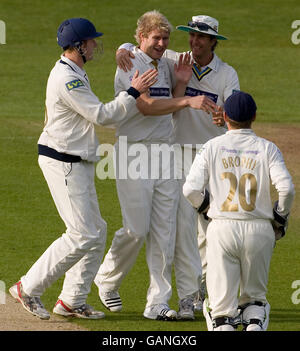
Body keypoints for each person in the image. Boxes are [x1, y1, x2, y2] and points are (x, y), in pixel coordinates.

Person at [9, 17, 158, 320]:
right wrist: (132, 92)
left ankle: (71, 300)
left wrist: (126, 52)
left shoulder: (76, 71)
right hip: (62, 161)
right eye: (91, 41)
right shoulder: (67, 78)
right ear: (78, 46)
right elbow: (101, 115)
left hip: (77, 160)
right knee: (81, 233)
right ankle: (28, 287)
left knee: (96, 230)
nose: (94, 46)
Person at [94, 10, 217, 321]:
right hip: (133, 153)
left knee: (165, 230)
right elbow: (147, 107)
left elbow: (168, 108)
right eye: (155, 38)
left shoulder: (165, 63)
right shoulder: (128, 63)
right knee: (137, 229)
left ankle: (157, 301)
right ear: (141, 38)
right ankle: (107, 279)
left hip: (165, 154)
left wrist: (181, 86)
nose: (162, 43)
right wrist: (188, 99)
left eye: (165, 38)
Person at [115, 14, 239, 319]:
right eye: (192, 36)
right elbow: (142, 50)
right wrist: (123, 47)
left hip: (210, 155)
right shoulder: (173, 59)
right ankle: (189, 296)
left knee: (209, 228)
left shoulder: (226, 74)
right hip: (176, 154)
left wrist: (223, 116)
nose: (195, 42)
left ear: (213, 41)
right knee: (180, 229)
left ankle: (201, 292)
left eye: (201, 37)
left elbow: (236, 111)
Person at [183, 91, 295, 331]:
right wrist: (280, 218)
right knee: (254, 304)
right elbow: (286, 189)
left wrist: (206, 208)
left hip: (222, 228)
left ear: (224, 116)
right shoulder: (268, 148)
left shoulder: (211, 146)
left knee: (221, 312)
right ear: (254, 116)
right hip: (260, 229)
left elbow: (190, 189)